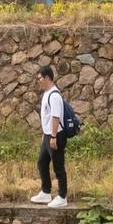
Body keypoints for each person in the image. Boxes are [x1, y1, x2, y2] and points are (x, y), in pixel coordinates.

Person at [29, 63, 68, 208]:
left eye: (40, 78)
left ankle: (62, 197)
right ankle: (46, 192)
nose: (39, 81)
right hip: (48, 135)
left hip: (56, 136)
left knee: (58, 167)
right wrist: (45, 135)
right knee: (42, 163)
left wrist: (52, 137)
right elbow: (47, 117)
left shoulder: (55, 95)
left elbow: (55, 117)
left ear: (47, 77)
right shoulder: (46, 94)